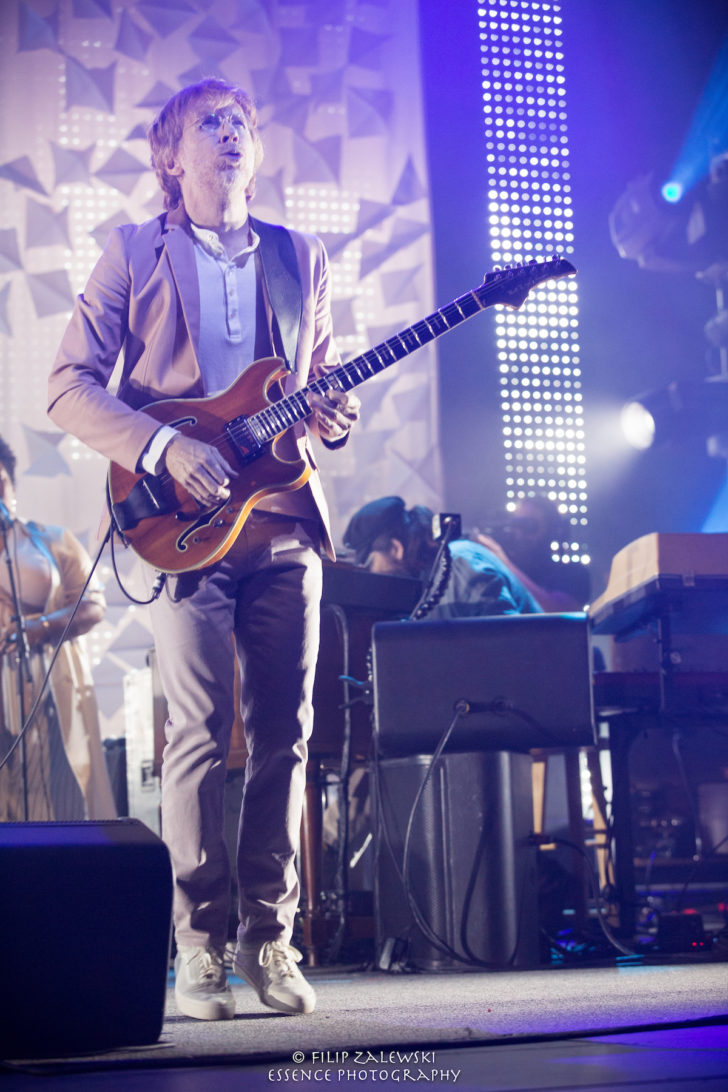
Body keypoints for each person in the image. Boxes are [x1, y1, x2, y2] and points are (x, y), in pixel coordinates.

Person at [47, 78, 360, 1020]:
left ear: (255, 156)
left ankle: (273, 940)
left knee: (285, 737)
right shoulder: (132, 254)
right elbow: (66, 384)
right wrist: (162, 444)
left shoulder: (301, 258)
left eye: (242, 125)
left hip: (282, 520)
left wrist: (333, 414)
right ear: (169, 157)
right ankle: (200, 950)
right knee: (193, 736)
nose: (231, 135)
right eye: (210, 125)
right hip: (178, 528)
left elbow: (313, 390)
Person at [0, 436, 113, 822]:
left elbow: (94, 605)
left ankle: (70, 876)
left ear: (12, 486)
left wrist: (40, 626)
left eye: (0, 484)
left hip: (52, 684)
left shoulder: (53, 542)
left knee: (65, 800)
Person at [343, 496, 542, 618]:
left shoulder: (460, 563)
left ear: (396, 549)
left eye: (370, 563)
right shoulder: (433, 581)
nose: (372, 572)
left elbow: (512, 644)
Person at [473, 495, 591, 612]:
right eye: (516, 524)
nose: (519, 533)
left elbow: (560, 613)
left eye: (529, 525)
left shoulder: (573, 573)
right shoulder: (500, 572)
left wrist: (503, 562)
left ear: (551, 530)